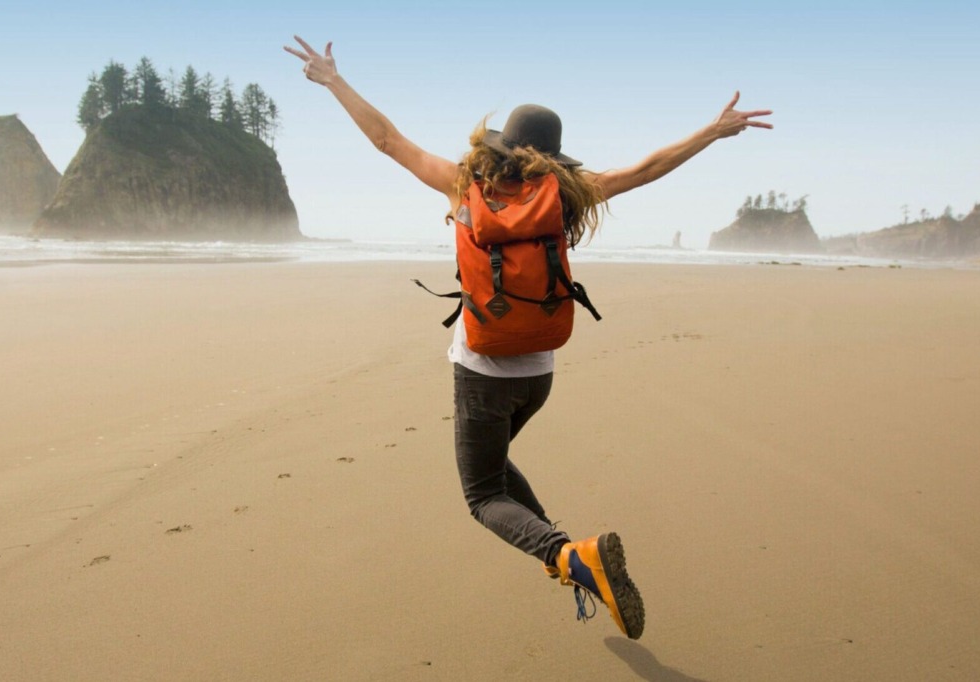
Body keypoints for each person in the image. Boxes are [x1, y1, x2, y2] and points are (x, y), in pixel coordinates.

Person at [285, 35, 772, 640]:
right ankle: (572, 559)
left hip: (482, 371)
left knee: (484, 495)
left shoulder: (463, 185)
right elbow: (644, 170)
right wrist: (711, 131)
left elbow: (386, 139)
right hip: (538, 372)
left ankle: (569, 557)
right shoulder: (568, 195)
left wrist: (333, 80)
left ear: (502, 144)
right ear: (555, 156)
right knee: (495, 467)